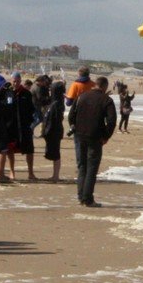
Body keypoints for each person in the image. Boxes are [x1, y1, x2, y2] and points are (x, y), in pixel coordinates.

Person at [68, 76, 116, 208]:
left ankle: (81, 197)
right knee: (91, 168)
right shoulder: (106, 100)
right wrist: (106, 136)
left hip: (79, 135)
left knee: (82, 166)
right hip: (95, 137)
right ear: (105, 86)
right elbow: (111, 121)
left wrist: (74, 126)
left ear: (95, 84)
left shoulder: (82, 97)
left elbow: (71, 115)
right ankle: (87, 199)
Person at [8, 72, 38, 181]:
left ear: (20, 81)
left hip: (25, 126)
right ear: (11, 81)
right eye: (13, 81)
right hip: (11, 127)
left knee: (29, 150)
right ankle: (12, 171)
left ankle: (31, 172)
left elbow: (32, 110)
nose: (15, 83)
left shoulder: (26, 93)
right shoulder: (8, 93)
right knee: (10, 150)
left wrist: (30, 123)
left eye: (17, 81)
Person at [40, 80, 66, 183]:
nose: (50, 91)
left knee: (56, 154)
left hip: (54, 131)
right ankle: (54, 175)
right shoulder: (55, 102)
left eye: (52, 90)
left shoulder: (57, 104)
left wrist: (47, 131)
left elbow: (54, 120)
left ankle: (56, 176)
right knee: (54, 153)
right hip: (52, 131)